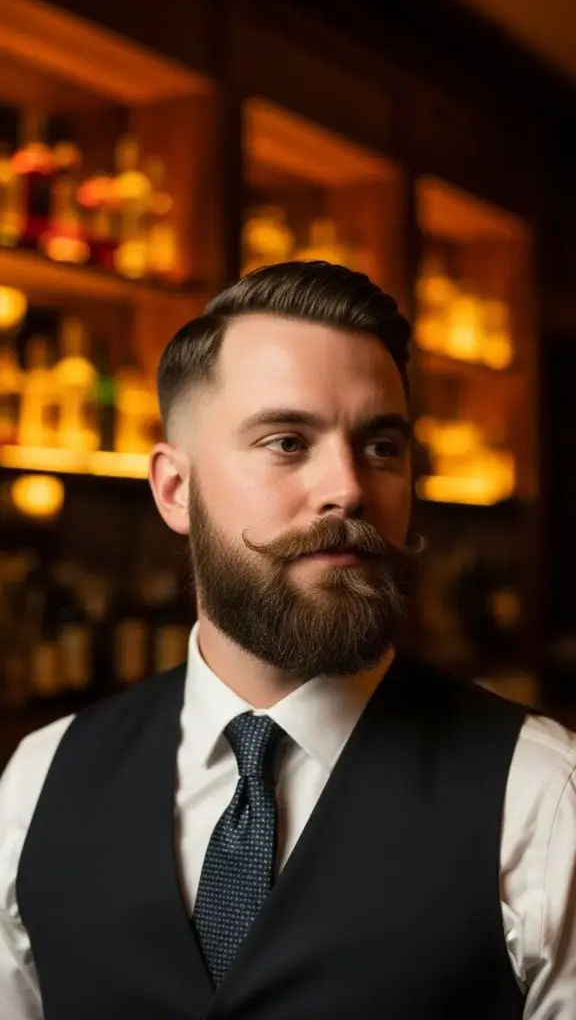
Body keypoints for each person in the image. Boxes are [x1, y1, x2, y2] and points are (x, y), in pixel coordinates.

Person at [0, 261, 575, 1019]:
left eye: (381, 447)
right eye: (287, 441)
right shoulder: (37, 782)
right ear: (175, 489)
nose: (348, 488)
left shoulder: (544, 799)